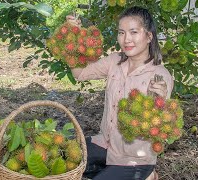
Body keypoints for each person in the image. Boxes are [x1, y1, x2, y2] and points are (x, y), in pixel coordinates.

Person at [66, 6, 174, 180]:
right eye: (121, 33)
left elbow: (159, 127)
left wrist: (160, 104)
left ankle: (146, 174)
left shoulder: (159, 76)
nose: (126, 39)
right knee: (64, 159)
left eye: (133, 32)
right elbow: (80, 74)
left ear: (149, 36)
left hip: (134, 158)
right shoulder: (115, 61)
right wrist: (74, 38)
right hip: (105, 144)